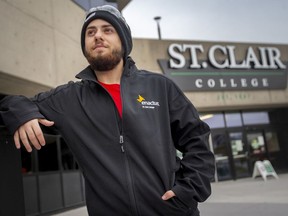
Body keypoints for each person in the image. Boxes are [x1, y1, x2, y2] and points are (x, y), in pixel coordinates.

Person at [0, 5, 215, 216]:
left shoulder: (159, 87)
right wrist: (24, 115)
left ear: (123, 40)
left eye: (107, 30)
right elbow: (14, 103)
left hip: (171, 211)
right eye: (90, 32)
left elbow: (197, 140)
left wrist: (188, 191)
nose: (98, 36)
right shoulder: (70, 99)